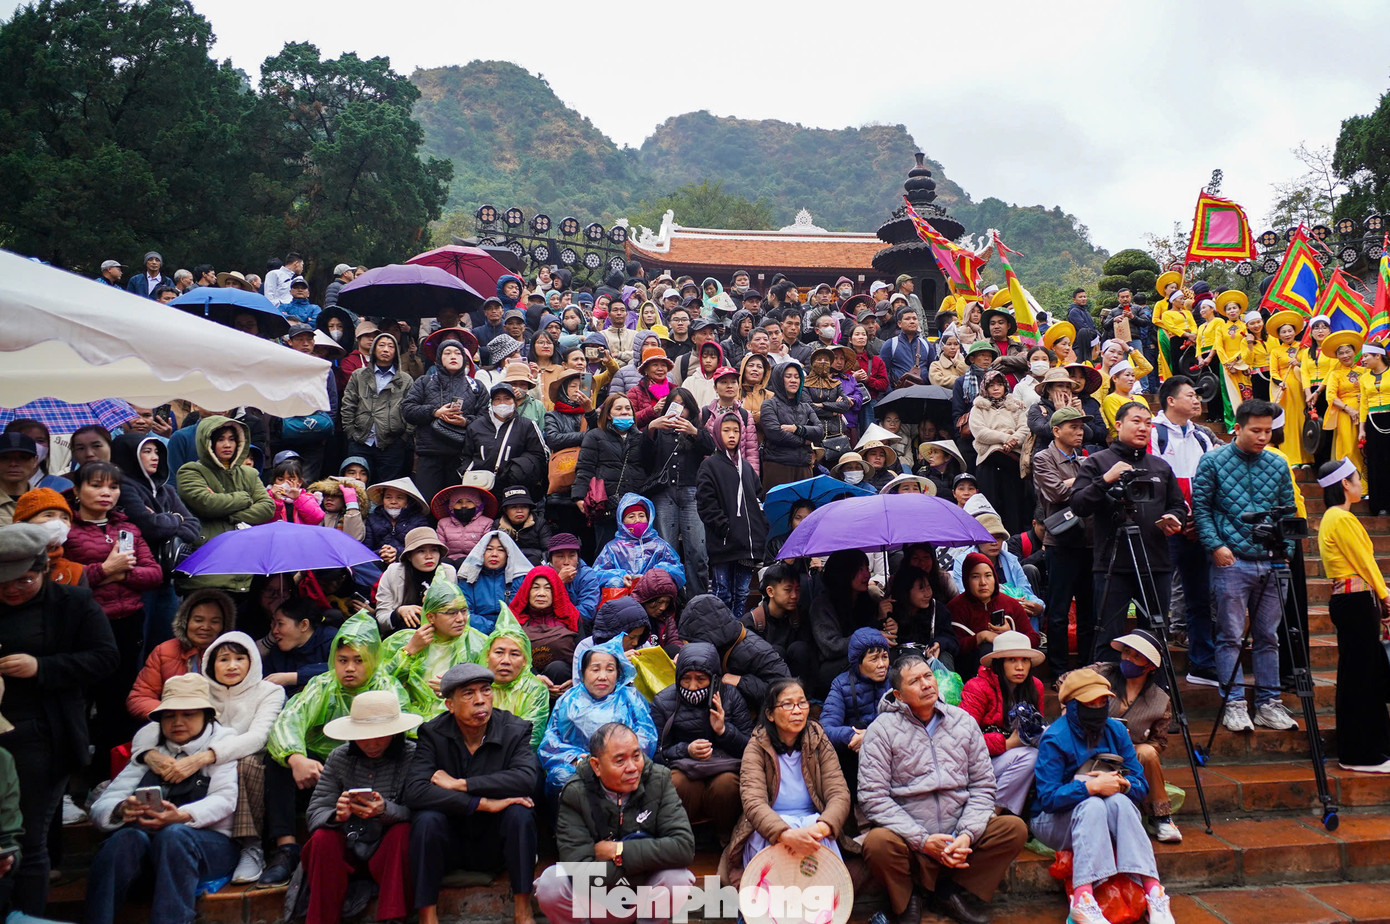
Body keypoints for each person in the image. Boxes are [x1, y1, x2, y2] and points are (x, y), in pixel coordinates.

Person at [0, 523, 119, 913]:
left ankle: (27, 917)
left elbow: (105, 659)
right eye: (3, 584)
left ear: (44, 569)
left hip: (43, 735)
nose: (12, 589)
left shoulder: (74, 604)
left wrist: (42, 667)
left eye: (24, 581)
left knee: (29, 839)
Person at [859, 655, 1029, 924]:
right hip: (909, 837)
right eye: (915, 681)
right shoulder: (881, 731)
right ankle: (907, 897)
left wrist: (965, 835)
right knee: (877, 844)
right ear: (899, 695)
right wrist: (923, 840)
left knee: (1013, 829)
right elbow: (873, 797)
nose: (926, 684)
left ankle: (946, 891)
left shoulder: (963, 721)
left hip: (956, 830)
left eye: (928, 676)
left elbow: (983, 785)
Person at [264, 613, 411, 886]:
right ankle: (286, 847)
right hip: (322, 771)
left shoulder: (386, 687)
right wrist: (295, 758)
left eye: (358, 660)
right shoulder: (321, 685)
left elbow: (408, 730)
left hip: (373, 769)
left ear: (373, 660)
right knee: (277, 761)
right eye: (343, 660)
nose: (350, 668)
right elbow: (289, 719)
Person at [130, 630, 286, 882]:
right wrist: (148, 754)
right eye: (223, 659)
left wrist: (204, 757)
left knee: (242, 764)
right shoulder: (201, 688)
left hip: (248, 762)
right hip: (197, 764)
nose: (232, 666)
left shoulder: (269, 691)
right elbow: (153, 726)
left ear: (253, 661)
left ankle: (250, 845)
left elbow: (258, 737)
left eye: (240, 658)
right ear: (211, 664)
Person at [86, 675, 239, 924]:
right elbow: (101, 805)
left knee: (175, 835)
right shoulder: (150, 754)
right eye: (169, 716)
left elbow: (225, 799)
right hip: (152, 853)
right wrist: (121, 809)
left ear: (206, 716)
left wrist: (181, 816)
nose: (177, 722)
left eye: (188, 714)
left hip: (210, 848)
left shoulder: (219, 749)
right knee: (127, 837)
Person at [1030, 669, 1176, 924]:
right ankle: (1083, 898)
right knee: (1092, 806)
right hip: (1052, 821)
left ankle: (1154, 890)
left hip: (1105, 813)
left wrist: (1122, 785)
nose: (1098, 707)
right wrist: (1090, 788)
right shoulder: (1054, 737)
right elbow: (1047, 798)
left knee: (1120, 801)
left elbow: (1140, 785)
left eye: (1102, 701)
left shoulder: (1116, 731)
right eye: (1090, 702)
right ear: (1073, 705)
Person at [1191, 399, 1299, 733]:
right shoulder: (1212, 461)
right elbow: (1202, 508)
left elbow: (1289, 511)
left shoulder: (1278, 464)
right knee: (1230, 636)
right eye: (1256, 430)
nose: (1263, 437)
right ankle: (1234, 703)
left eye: (1268, 430)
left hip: (1271, 560)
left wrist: (1287, 550)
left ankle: (1269, 703)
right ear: (1237, 428)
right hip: (1231, 561)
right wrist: (1216, 546)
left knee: (1269, 636)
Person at [404, 663, 541, 924]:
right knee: (426, 820)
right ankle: (427, 916)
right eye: (468, 694)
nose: (480, 700)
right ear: (450, 705)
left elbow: (526, 778)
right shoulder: (433, 734)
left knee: (520, 813)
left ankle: (523, 911)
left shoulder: (515, 729)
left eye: (486, 691)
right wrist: (481, 803)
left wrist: (462, 785)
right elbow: (415, 790)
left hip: (495, 842)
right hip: (451, 839)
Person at [534, 722, 696, 924]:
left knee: (678, 879)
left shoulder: (659, 779)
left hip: (642, 897)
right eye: (620, 761)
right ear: (596, 766)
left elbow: (683, 847)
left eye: (636, 756)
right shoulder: (575, 792)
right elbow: (578, 869)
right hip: (595, 899)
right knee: (551, 883)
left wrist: (618, 850)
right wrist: (645, 860)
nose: (632, 768)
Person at [65, 460, 163, 771]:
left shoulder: (127, 528)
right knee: (77, 702)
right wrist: (103, 571)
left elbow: (154, 574)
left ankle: (105, 777)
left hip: (126, 623)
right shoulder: (63, 528)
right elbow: (58, 577)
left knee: (117, 702)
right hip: (80, 626)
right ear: (78, 491)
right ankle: (70, 781)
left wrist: (119, 575)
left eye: (113, 486)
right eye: (96, 485)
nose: (106, 492)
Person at [1069, 402, 1186, 660]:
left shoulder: (1160, 466)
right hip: (1112, 564)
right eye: (1136, 421)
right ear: (1119, 425)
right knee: (1108, 637)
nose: (1143, 427)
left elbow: (1178, 505)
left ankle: (1154, 696)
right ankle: (1106, 697)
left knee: (1154, 638)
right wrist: (1106, 479)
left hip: (1156, 563)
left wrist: (1173, 517)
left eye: (1148, 423)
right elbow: (1078, 505)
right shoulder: (1099, 462)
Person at [718, 676, 854, 889]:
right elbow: (753, 802)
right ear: (770, 714)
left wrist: (821, 828)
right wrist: (785, 834)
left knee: (822, 884)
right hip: (771, 827)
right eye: (788, 704)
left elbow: (839, 793)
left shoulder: (818, 740)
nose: (798, 710)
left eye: (802, 703)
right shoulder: (757, 746)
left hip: (814, 825)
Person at [296, 691, 419, 924]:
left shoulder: (412, 757)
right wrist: (337, 815)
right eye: (364, 737)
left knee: (404, 833)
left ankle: (393, 917)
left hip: (389, 854)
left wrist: (385, 811)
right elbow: (315, 812)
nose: (372, 744)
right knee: (322, 838)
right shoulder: (338, 757)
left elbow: (421, 810)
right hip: (346, 850)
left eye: (380, 737)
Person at [1314, 459, 1390, 772]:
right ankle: (1363, 754)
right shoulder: (1341, 519)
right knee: (1361, 677)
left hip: (1354, 600)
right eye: (1357, 478)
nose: (1361, 484)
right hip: (1355, 600)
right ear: (1345, 484)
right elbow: (1365, 562)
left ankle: (1365, 750)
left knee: (1359, 674)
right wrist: (1385, 595)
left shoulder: (1334, 517)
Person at [1147, 375, 1219, 684]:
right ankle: (1152, 667)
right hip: (1164, 528)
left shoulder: (1203, 436)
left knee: (1200, 598)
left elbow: (1209, 483)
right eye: (1190, 395)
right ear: (1171, 401)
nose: (1197, 400)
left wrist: (1199, 518)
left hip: (1197, 527)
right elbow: (1153, 481)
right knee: (1158, 599)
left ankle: (1202, 662)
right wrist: (1175, 515)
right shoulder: (1153, 433)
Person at [1082, 631, 1182, 841]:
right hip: (1087, 742)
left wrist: (1129, 745)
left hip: (1127, 753)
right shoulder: (1101, 672)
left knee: (1147, 752)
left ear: (1150, 666)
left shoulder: (1160, 700)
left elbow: (1159, 741)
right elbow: (1066, 683)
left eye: (1137, 656)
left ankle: (1161, 817)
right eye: (1126, 653)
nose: (1128, 659)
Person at [649, 642, 751, 842]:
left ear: (713, 679)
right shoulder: (663, 701)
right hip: (682, 766)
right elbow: (655, 752)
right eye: (686, 679)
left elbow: (750, 746)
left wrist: (723, 730)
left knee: (726, 785)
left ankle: (726, 838)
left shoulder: (730, 697)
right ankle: (681, 839)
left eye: (701, 679)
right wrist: (686, 750)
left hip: (723, 766)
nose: (692, 687)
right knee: (679, 783)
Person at [538, 635, 657, 795]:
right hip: (578, 766)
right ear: (584, 672)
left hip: (624, 765)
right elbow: (550, 740)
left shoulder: (630, 698)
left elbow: (646, 736)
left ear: (618, 673)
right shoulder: (568, 700)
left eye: (610, 669)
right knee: (559, 777)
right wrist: (577, 759)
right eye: (595, 669)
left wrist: (617, 759)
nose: (603, 676)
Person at [175, 415, 275, 589]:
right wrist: (245, 498)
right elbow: (206, 504)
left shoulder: (248, 473)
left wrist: (226, 511)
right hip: (208, 561)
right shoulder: (191, 471)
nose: (227, 445)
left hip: (245, 562)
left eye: (231, 439)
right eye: (220, 439)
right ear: (207, 442)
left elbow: (267, 508)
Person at [1032, 407, 1096, 675]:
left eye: (1081, 427)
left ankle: (1088, 667)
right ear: (1056, 431)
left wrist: (1076, 481)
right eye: (1073, 427)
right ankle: (1059, 672)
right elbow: (1057, 493)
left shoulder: (1086, 458)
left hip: (1090, 542)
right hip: (1060, 543)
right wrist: (1086, 481)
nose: (1079, 432)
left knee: (1089, 613)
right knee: (1058, 612)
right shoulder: (1043, 458)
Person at [959, 631, 1045, 816]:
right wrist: (1007, 744)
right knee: (1030, 757)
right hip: (978, 763)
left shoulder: (1035, 686)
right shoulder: (977, 687)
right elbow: (961, 739)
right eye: (1012, 660)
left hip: (1015, 759)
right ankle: (992, 813)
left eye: (1025, 660)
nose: (1020, 667)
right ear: (999, 662)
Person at [380, 573, 487, 719]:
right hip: (412, 725)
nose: (461, 619)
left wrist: (456, 689)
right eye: (451, 613)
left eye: (463, 611)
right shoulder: (403, 640)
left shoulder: (478, 643)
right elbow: (381, 684)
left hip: (463, 722)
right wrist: (408, 652)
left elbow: (492, 687)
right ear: (431, 617)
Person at [696, 411, 768, 613]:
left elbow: (758, 499)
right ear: (717, 433)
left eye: (736, 431)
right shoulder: (709, 465)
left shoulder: (746, 467)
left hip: (746, 544)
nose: (732, 435)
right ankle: (721, 633)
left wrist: (760, 527)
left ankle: (737, 633)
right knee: (723, 592)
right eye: (726, 430)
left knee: (742, 592)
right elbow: (705, 503)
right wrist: (724, 527)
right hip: (724, 544)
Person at [126, 589, 236, 721]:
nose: (205, 627)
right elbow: (139, 697)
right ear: (185, 621)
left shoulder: (234, 655)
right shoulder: (164, 652)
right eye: (198, 620)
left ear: (224, 626)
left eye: (215, 621)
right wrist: (171, 715)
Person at [401, 335, 488, 501]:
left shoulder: (476, 386)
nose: (453, 356)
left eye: (458, 353)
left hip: (461, 454)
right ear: (439, 358)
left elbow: (485, 418)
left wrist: (466, 422)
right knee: (427, 503)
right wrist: (435, 412)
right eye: (447, 353)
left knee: (456, 504)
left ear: (464, 359)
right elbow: (407, 410)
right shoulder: (424, 382)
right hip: (429, 454)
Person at [819, 626, 891, 792]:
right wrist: (852, 736)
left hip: (891, 748)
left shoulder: (896, 681)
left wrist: (871, 736)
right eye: (874, 659)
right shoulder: (841, 685)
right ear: (858, 662)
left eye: (885, 657)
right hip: (857, 754)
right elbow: (826, 728)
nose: (882, 665)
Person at [808, 548, 889, 697]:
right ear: (843, 573)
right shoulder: (822, 604)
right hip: (831, 668)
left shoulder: (865, 599)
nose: (867, 574)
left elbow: (870, 630)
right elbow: (831, 647)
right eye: (860, 570)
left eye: (867, 568)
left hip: (860, 660)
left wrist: (880, 619)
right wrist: (872, 637)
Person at [573, 395, 646, 549]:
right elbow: (585, 467)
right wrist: (579, 496)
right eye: (618, 409)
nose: (624, 412)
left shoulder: (641, 438)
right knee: (607, 550)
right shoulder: (595, 436)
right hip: (606, 506)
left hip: (634, 506)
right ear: (608, 414)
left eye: (628, 409)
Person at [341, 332, 415, 482]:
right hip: (361, 440)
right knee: (355, 485)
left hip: (392, 442)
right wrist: (350, 431)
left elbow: (410, 410)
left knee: (387, 486)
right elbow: (348, 404)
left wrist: (404, 437)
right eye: (381, 345)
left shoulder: (405, 380)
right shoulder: (359, 375)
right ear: (374, 349)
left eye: (390, 346)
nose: (386, 350)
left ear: (396, 352)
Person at [946, 552, 1033, 678]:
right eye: (975, 577)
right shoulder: (955, 607)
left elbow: (1033, 638)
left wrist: (1010, 635)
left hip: (1010, 672)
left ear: (995, 578)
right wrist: (979, 637)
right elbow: (952, 646)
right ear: (966, 579)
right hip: (970, 672)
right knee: (986, 648)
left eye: (988, 575)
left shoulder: (1010, 604)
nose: (983, 582)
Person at [970, 370, 1030, 534]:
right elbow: (980, 432)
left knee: (1013, 507)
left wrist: (1013, 441)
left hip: (1011, 461)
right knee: (991, 506)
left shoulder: (1016, 406)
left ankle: (1014, 547)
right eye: (991, 385)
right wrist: (1005, 439)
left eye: (999, 384)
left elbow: (1025, 428)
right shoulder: (978, 408)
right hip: (988, 462)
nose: (996, 388)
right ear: (985, 388)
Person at [484, 606, 551, 751]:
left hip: (516, 760)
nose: (505, 660)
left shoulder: (534, 689)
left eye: (514, 654)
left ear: (525, 660)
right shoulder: (474, 685)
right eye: (499, 652)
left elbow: (530, 738)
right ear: (487, 655)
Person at [508, 564, 582, 688]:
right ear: (527, 591)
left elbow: (583, 654)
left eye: (548, 588)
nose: (541, 594)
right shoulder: (514, 620)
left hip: (565, 681)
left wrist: (575, 680)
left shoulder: (571, 617)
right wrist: (535, 677)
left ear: (556, 592)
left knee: (558, 668)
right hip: (524, 683)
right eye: (535, 588)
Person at [593, 494, 686, 589]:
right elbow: (597, 574)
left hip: (654, 593)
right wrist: (620, 576)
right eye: (631, 516)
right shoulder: (613, 548)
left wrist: (657, 572)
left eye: (641, 516)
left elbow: (677, 570)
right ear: (622, 521)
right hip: (625, 595)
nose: (637, 520)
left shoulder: (659, 545)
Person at [374, 527, 457, 633]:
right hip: (402, 635)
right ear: (409, 556)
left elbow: (456, 614)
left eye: (434, 550)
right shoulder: (393, 572)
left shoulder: (448, 572)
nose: (429, 556)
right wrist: (399, 612)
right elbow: (381, 618)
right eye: (421, 551)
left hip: (440, 633)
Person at [760, 362, 823, 490]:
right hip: (778, 465)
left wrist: (797, 429)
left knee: (804, 508)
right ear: (779, 379)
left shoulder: (805, 406)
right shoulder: (769, 404)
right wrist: (804, 440)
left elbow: (820, 431)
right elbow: (775, 433)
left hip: (803, 466)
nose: (793, 380)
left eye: (796, 376)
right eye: (788, 376)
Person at [458, 530, 530, 635]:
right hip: (477, 632)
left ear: (508, 554)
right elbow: (464, 613)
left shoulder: (520, 578)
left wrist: (508, 629)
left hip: (514, 632)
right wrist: (492, 629)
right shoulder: (469, 577)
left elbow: (526, 611)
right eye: (489, 549)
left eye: (501, 550)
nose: (494, 554)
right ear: (481, 552)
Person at [888, 564, 959, 668]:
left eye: (928, 587)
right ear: (906, 591)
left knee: (945, 657)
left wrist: (939, 643)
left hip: (932, 660)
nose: (927, 594)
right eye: (921, 589)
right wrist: (886, 625)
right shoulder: (891, 611)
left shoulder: (937, 609)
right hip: (904, 666)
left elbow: (952, 640)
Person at [363, 478, 431, 563]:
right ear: (382, 500)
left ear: (407, 501)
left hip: (409, 565)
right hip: (378, 566)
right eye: (388, 497)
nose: (393, 502)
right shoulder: (372, 519)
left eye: (399, 497)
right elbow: (365, 550)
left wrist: (397, 553)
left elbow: (423, 549)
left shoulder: (418, 520)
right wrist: (383, 553)